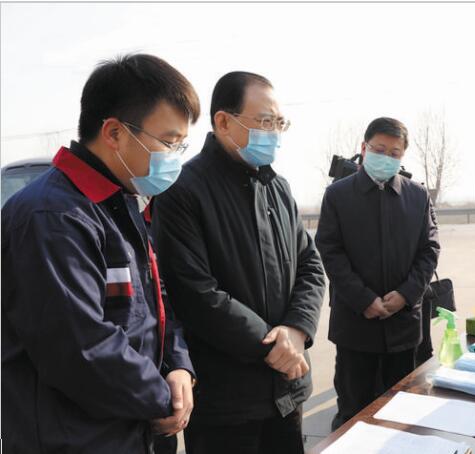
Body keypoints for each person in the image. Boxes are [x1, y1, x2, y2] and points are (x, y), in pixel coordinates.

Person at [1, 54, 199, 453]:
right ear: (114, 133)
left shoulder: (119, 204)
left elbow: (156, 302)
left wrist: (178, 366)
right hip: (75, 439)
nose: (174, 157)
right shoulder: (52, 216)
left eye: (181, 144)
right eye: (168, 142)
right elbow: (80, 348)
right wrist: (163, 398)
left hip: (130, 428)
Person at [151, 71, 325, 454]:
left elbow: (310, 265)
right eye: (264, 121)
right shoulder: (183, 190)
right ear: (223, 122)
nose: (273, 132)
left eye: (278, 123)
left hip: (287, 390)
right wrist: (273, 347)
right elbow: (194, 292)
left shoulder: (278, 187)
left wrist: (297, 329)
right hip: (226, 401)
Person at [315, 117, 440, 431]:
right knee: (353, 415)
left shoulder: (417, 196)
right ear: (364, 148)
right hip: (355, 327)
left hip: (404, 328)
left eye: (394, 153)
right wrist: (363, 299)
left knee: (402, 415)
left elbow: (429, 249)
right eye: (379, 150)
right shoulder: (338, 195)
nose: (386, 158)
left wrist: (407, 294)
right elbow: (330, 251)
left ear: (402, 156)